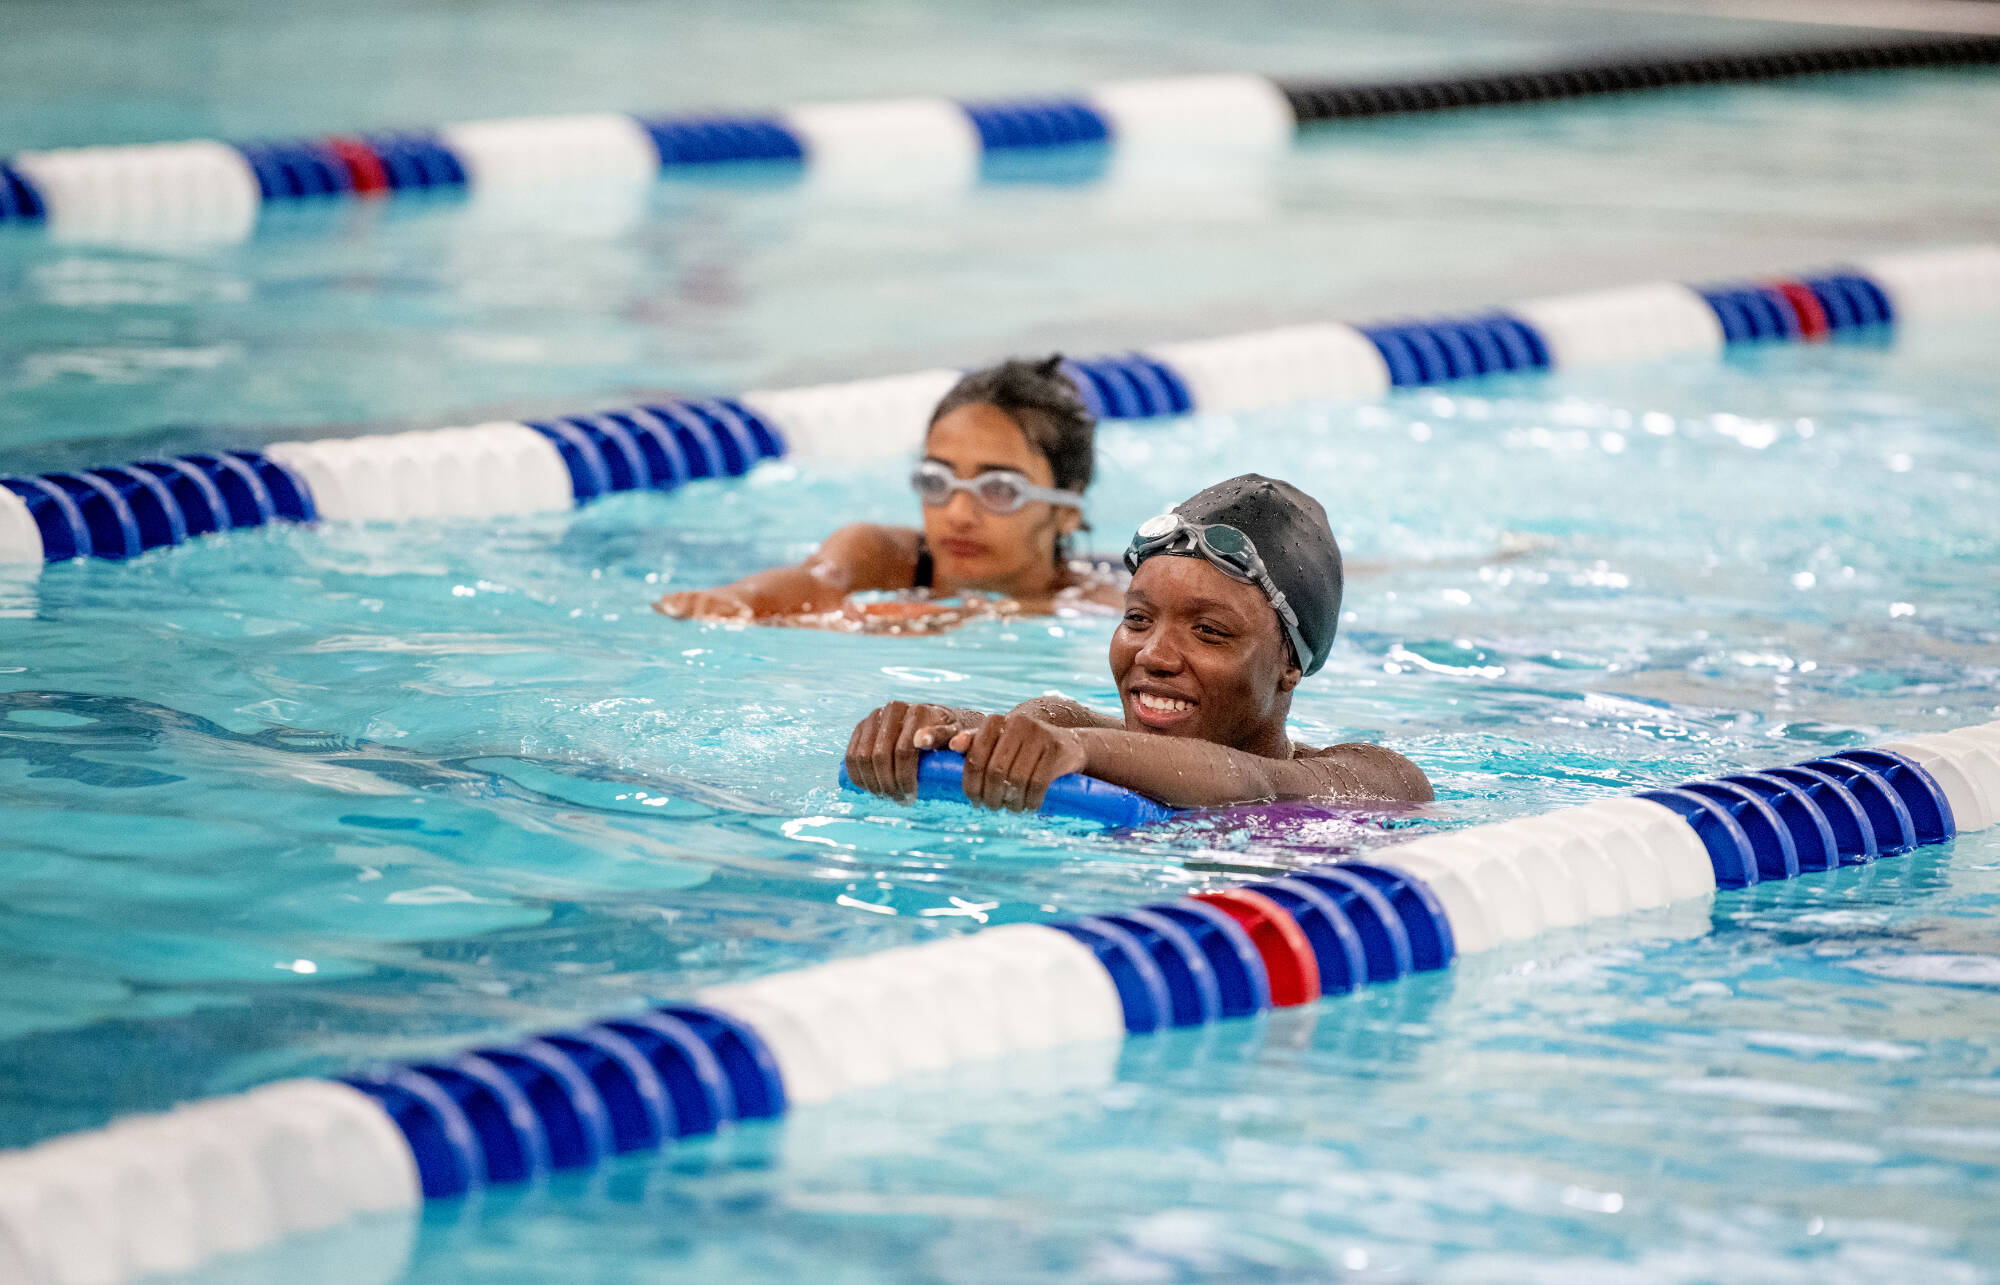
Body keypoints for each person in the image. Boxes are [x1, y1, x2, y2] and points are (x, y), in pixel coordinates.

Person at [845, 474, 1432, 810]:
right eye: (1137, 619)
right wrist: (935, 730)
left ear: (1290, 663)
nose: (1153, 655)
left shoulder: (1371, 779)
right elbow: (1031, 730)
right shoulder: (1066, 722)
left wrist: (1077, 750)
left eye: (1209, 631)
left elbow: (1258, 783)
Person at [653, 355, 1120, 631]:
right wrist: (738, 599)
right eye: (937, 482)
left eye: (999, 488)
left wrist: (980, 613)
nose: (957, 514)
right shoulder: (877, 555)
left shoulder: (1108, 605)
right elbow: (817, 583)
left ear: (1067, 511)